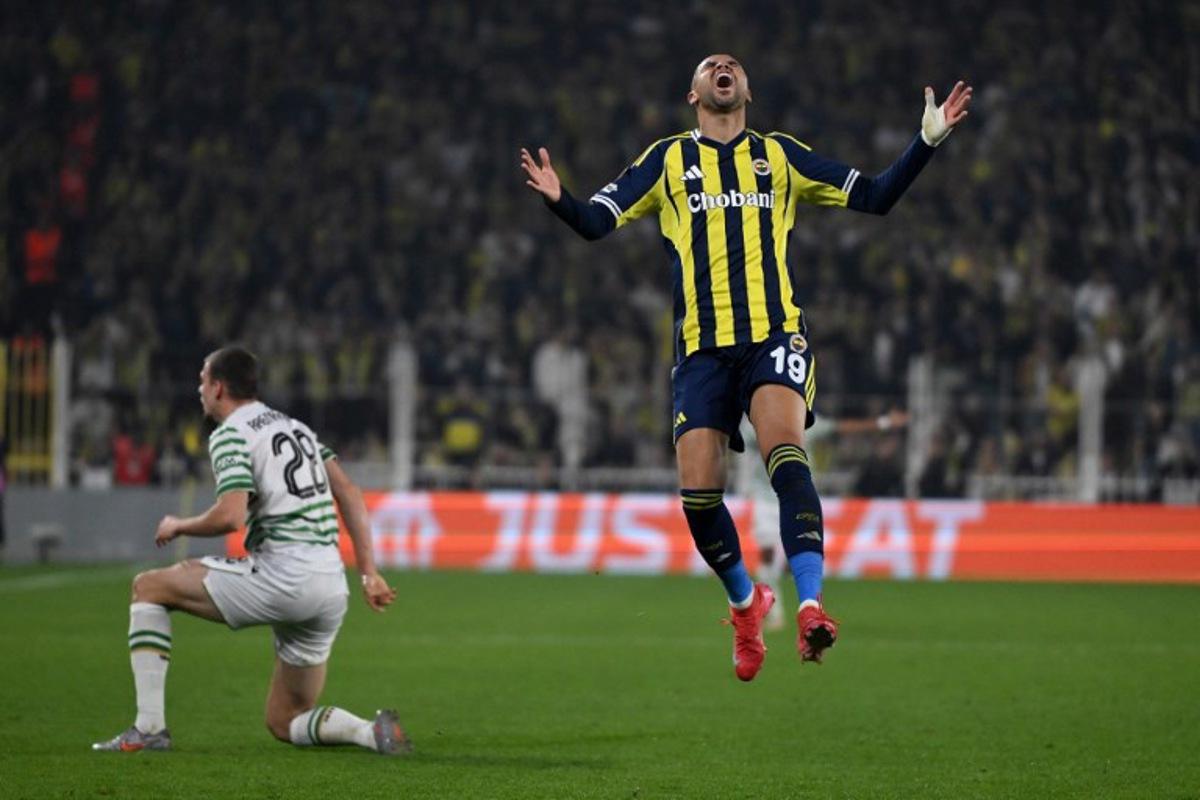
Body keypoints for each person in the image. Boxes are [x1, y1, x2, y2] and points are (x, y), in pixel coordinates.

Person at [522, 54, 971, 680]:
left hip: (772, 334)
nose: (723, 67)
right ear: (694, 93)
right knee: (699, 499)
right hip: (702, 349)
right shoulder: (666, 160)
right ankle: (746, 604)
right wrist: (560, 200)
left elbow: (874, 196)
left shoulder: (780, 156)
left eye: (732, 64)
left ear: (747, 89)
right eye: (711, 66)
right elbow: (598, 223)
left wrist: (926, 140)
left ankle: (811, 604)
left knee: (784, 450)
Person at [93, 346, 410, 754]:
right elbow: (347, 490)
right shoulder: (297, 427)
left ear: (219, 386)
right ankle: (370, 732)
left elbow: (231, 516)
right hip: (330, 586)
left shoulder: (230, 434)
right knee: (285, 719)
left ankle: (149, 728)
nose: (199, 388)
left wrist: (179, 525)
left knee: (149, 588)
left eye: (203, 379)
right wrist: (369, 571)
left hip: (283, 574)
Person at [736, 411, 909, 630]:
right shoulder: (754, 424)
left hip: (797, 498)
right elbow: (742, 440)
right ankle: (774, 613)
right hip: (766, 497)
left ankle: (797, 592)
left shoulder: (804, 420)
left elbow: (840, 426)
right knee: (767, 553)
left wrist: (883, 422)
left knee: (796, 556)